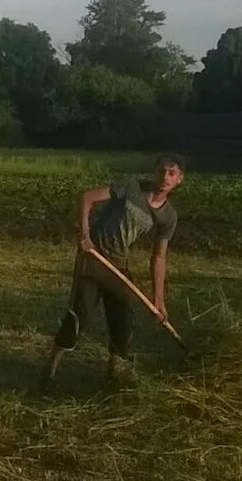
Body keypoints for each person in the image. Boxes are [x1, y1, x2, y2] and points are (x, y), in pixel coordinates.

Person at [41, 154, 184, 388]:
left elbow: (159, 257)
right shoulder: (131, 187)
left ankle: (113, 376)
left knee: (123, 319)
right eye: (162, 171)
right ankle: (49, 373)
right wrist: (85, 236)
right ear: (154, 171)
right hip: (93, 257)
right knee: (80, 314)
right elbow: (86, 198)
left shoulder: (168, 216)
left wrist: (159, 301)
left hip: (118, 264)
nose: (165, 177)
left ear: (180, 179)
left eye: (171, 173)